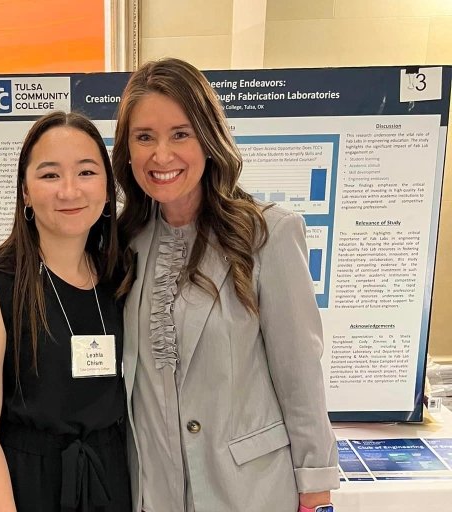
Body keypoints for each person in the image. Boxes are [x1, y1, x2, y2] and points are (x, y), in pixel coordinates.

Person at [112, 58, 339, 512]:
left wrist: (315, 487)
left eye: (180, 134)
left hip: (250, 490)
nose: (161, 155)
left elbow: (300, 375)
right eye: (144, 137)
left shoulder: (268, 234)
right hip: (153, 492)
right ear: (127, 149)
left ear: (208, 138)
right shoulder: (123, 242)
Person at [0, 111, 131, 512]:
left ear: (107, 189)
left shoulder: (119, 277)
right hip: (28, 488)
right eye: (50, 175)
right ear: (26, 192)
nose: (69, 191)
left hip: (110, 481)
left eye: (86, 172)